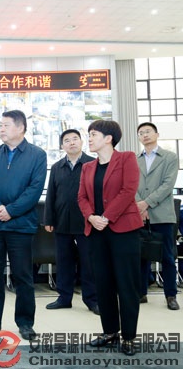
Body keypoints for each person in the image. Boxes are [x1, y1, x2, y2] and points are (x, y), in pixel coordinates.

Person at [0, 109, 46, 341]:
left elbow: (35, 189)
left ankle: (25, 323)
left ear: (21, 128)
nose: (1, 129)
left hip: (21, 225)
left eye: (5, 125)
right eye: (0, 125)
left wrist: (11, 211)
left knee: (23, 276)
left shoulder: (37, 155)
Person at [78, 120, 143, 356]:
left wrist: (105, 217)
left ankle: (129, 336)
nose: (89, 138)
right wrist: (91, 217)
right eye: (89, 134)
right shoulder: (87, 167)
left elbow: (128, 191)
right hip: (96, 232)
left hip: (123, 230)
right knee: (103, 283)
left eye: (93, 134)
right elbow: (82, 197)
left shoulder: (126, 158)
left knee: (126, 284)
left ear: (108, 138)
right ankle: (110, 332)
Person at [43, 129, 99, 315]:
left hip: (87, 221)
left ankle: (92, 299)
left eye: (75, 139)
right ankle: (64, 298)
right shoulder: (56, 167)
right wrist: (48, 219)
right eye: (67, 140)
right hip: (62, 221)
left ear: (82, 142)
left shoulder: (93, 163)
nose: (72, 142)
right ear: (62, 146)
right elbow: (51, 195)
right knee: (63, 261)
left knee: (89, 262)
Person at [135, 122, 179, 310]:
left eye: (148, 131)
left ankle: (171, 295)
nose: (144, 135)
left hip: (162, 215)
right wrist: (139, 205)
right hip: (139, 215)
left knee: (167, 256)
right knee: (141, 255)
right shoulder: (134, 160)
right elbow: (130, 185)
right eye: (141, 133)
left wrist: (146, 203)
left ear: (157, 134)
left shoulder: (170, 157)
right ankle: (141, 293)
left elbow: (168, 185)